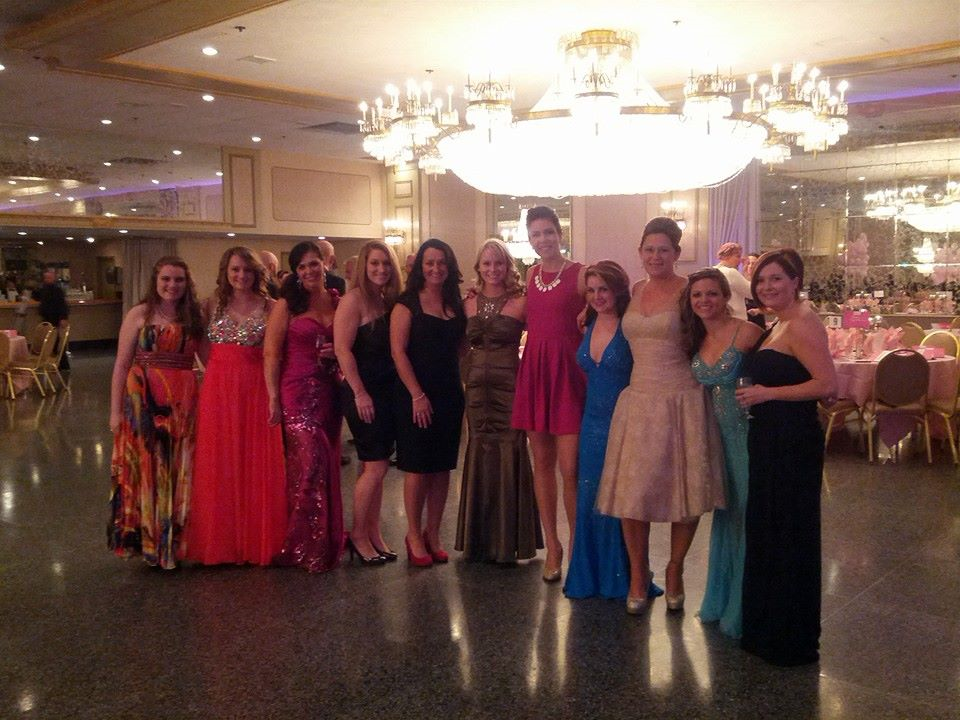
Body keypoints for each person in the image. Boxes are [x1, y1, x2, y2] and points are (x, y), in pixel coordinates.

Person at [597, 217, 726, 614]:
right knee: (633, 493)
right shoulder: (635, 290)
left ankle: (675, 568)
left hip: (681, 397)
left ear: (676, 254)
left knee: (683, 490)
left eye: (663, 250)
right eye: (649, 250)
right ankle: (639, 573)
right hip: (638, 400)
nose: (656, 256)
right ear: (640, 252)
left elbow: (717, 328)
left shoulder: (690, 291)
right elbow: (602, 309)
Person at [735, 248, 837, 666]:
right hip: (769, 437)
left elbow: (827, 385)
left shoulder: (803, 323)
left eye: (776, 278)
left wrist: (767, 393)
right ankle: (766, 627)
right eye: (761, 280)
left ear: (796, 281)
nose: (767, 286)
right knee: (770, 529)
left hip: (792, 441)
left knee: (790, 533)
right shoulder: (779, 322)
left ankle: (789, 637)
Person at [565, 260, 663, 602]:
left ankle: (627, 575)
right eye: (591, 290)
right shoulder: (588, 322)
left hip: (624, 421)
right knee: (589, 495)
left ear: (617, 289)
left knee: (621, 499)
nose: (597, 296)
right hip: (591, 421)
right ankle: (590, 574)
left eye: (603, 289)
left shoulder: (631, 326)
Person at [184, 247, 287, 566]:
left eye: (247, 270)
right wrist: (218, 370)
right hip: (218, 388)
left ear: (257, 273)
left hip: (256, 387)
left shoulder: (272, 307)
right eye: (235, 270)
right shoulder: (210, 305)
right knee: (220, 460)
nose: (241, 276)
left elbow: (277, 351)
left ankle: (257, 540)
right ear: (225, 273)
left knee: (256, 459)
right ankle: (223, 542)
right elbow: (202, 346)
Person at [679, 268, 762, 638]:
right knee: (727, 516)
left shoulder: (748, 333)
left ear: (726, 296)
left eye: (711, 293)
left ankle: (748, 604)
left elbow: (774, 374)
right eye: (697, 295)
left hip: (746, 435)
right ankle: (724, 596)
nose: (704, 301)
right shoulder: (694, 337)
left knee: (748, 515)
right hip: (714, 438)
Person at [107, 256, 203, 569]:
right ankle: (150, 542)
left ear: (187, 283)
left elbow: (212, 360)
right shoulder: (139, 313)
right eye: (166, 279)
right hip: (142, 400)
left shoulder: (194, 316)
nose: (172, 285)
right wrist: (114, 413)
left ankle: (174, 543)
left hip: (183, 401)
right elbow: (121, 365)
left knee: (178, 467)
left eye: (178, 279)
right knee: (148, 467)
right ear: (155, 280)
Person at [511, 206, 586, 583]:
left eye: (548, 232)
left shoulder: (581, 273)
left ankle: (577, 546)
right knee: (541, 464)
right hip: (537, 372)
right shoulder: (530, 275)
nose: (543, 240)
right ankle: (553, 546)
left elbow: (606, 306)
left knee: (570, 469)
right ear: (530, 239)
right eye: (536, 234)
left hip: (569, 373)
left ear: (560, 233)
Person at [456, 239, 541, 564]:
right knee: (480, 448)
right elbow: (458, 345)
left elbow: (543, 336)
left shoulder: (522, 301)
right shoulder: (467, 302)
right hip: (477, 388)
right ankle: (478, 540)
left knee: (510, 449)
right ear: (479, 267)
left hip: (510, 385)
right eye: (487, 264)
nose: (493, 269)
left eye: (499, 263)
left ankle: (509, 541)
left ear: (508, 266)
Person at [264, 240, 344, 572]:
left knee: (326, 463)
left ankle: (323, 541)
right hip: (296, 391)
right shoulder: (288, 305)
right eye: (302, 266)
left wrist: (338, 351)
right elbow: (271, 352)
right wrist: (272, 396)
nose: (309, 270)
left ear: (325, 264)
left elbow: (350, 344)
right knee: (309, 466)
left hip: (330, 392)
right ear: (296, 272)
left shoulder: (338, 301)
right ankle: (301, 545)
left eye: (314, 263)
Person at [390, 238, 466, 567]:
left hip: (449, 394)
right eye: (430, 262)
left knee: (442, 468)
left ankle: (433, 532)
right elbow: (398, 352)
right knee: (418, 468)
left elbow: (461, 348)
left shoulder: (455, 303)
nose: (436, 268)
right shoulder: (406, 304)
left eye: (442, 262)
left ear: (449, 267)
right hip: (415, 395)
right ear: (420, 266)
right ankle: (413, 534)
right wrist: (417, 395)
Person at [334, 240, 402, 565]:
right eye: (375, 263)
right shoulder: (353, 299)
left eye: (386, 263)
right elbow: (342, 350)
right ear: (364, 265)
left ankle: (374, 532)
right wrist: (360, 392)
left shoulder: (385, 299)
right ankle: (358, 534)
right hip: (363, 392)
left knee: (377, 466)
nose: (381, 269)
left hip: (386, 392)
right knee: (375, 466)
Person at [32, 267, 70, 369]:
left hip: (55, 317)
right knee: (49, 341)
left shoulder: (57, 290)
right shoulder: (44, 289)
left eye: (49, 278)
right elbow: (36, 296)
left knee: (55, 341)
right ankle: (52, 362)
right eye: (46, 278)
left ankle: (62, 363)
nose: (47, 280)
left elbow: (62, 305)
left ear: (53, 278)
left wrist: (63, 317)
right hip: (46, 318)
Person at [714, 243, 752, 322]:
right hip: (736, 319)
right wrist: (746, 272)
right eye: (738, 256)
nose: (740, 260)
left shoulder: (714, 270)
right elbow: (751, 293)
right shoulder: (731, 272)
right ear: (727, 256)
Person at [742, 252, 766, 329]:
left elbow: (773, 308)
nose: (750, 266)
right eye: (748, 263)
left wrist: (758, 311)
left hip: (757, 323)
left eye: (753, 263)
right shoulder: (738, 282)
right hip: (741, 323)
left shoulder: (763, 284)